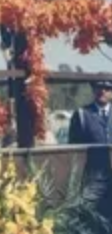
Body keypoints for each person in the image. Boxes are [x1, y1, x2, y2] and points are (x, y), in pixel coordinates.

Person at [68, 79, 112, 222]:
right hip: (93, 179)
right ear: (93, 90)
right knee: (94, 220)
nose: (103, 91)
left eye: (107, 88)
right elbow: (73, 149)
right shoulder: (81, 115)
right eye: (99, 87)